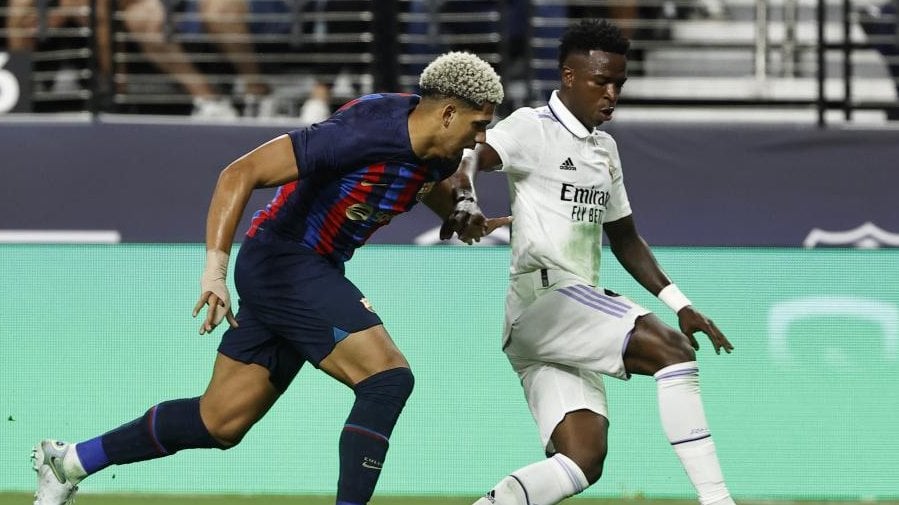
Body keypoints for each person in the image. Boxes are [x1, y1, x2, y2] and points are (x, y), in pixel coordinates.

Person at [31, 50, 504, 505]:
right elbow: (240, 173)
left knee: (219, 422)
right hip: (285, 261)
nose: (480, 138)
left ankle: (70, 462)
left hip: (307, 270)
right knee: (388, 378)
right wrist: (214, 271)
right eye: (478, 125)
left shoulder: (442, 150)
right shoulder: (363, 129)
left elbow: (429, 183)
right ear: (447, 113)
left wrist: (459, 211)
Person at [441, 19, 737, 505]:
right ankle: (718, 500)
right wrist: (466, 199)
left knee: (582, 461)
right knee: (673, 351)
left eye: (619, 82)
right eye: (601, 81)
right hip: (545, 299)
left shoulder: (605, 150)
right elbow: (469, 155)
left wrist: (681, 304)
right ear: (569, 76)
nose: (612, 93)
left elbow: (625, 239)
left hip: (562, 320)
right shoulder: (532, 127)